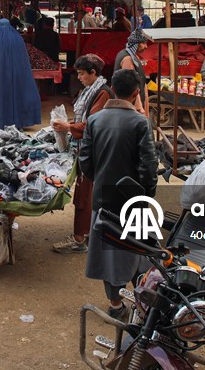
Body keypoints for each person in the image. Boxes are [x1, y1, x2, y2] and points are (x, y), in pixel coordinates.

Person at [79, 69, 158, 321]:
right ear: (136, 93)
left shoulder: (95, 120)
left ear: (112, 87)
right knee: (141, 252)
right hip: (134, 198)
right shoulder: (140, 122)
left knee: (108, 255)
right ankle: (143, 304)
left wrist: (101, 178)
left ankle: (115, 304)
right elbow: (149, 166)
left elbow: (85, 162)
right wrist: (147, 194)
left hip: (103, 196)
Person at [51, 55, 112, 254]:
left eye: (82, 74)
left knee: (85, 194)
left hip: (94, 151)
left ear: (94, 73)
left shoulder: (102, 93)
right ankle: (86, 235)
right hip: (88, 149)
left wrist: (69, 127)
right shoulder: (91, 91)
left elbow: (92, 124)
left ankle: (80, 238)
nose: (79, 77)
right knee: (85, 193)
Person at [0, 19, 42, 128]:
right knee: (17, 96)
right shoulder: (17, 38)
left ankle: (4, 122)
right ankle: (19, 122)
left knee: (4, 97)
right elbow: (23, 58)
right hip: (17, 74)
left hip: (1, 76)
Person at [113, 29, 151, 114]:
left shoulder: (132, 56)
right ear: (136, 44)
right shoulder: (127, 59)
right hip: (130, 108)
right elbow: (131, 85)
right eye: (143, 43)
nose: (146, 46)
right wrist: (139, 107)